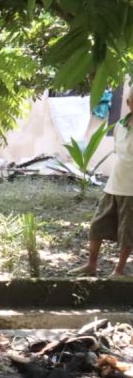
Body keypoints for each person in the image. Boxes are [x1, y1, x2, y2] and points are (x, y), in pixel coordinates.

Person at [70, 94, 133, 279]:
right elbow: (118, 151)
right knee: (97, 226)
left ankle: (119, 271)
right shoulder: (120, 124)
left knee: (127, 232)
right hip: (113, 184)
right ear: (128, 102)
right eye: (132, 100)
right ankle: (91, 264)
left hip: (131, 189)